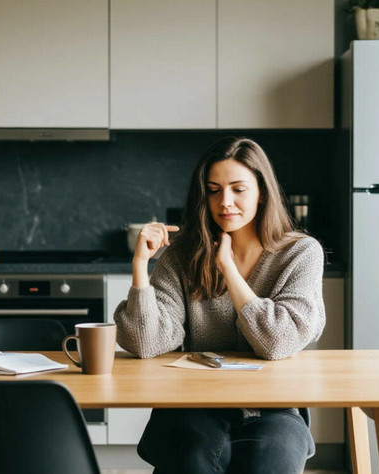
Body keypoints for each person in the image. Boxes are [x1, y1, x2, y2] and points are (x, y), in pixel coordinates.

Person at [113, 136, 326, 474]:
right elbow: (145, 342)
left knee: (271, 462)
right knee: (192, 457)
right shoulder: (183, 255)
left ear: (262, 191)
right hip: (191, 404)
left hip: (274, 408)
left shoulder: (300, 254)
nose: (224, 202)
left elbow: (278, 341)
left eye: (238, 189)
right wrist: (141, 266)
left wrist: (227, 268)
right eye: (214, 190)